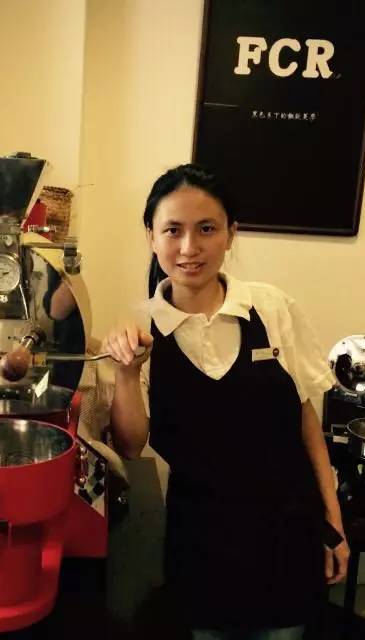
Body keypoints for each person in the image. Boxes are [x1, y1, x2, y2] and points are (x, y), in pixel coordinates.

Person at [101, 164, 350, 640]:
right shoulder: (140, 329)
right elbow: (131, 446)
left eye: (206, 229)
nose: (189, 248)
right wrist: (127, 371)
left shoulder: (271, 308)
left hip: (287, 532)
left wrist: (333, 520)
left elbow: (306, 420)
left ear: (231, 234)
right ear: (151, 236)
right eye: (173, 230)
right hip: (201, 542)